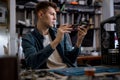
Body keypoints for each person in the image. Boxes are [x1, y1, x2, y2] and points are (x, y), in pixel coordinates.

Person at [22, 1, 89, 69]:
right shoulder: (28, 38)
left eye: (55, 15)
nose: (55, 18)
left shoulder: (61, 33)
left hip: (67, 71)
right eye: (52, 14)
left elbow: (71, 59)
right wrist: (56, 41)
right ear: (41, 14)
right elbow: (31, 63)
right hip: (49, 75)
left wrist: (79, 42)